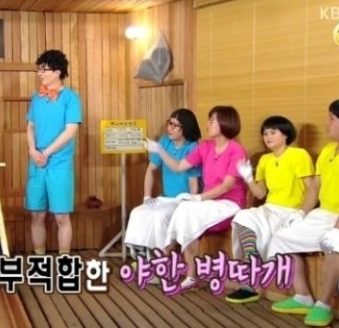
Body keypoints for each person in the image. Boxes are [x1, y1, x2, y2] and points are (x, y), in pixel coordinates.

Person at [268, 99, 339, 327]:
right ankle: (302, 296)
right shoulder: (327, 150)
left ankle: (323, 305)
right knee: (281, 236)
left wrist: (338, 230)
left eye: (332, 119)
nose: (327, 124)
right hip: (324, 213)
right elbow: (314, 187)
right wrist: (301, 213)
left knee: (336, 246)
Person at [145, 105, 247, 291]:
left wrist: (199, 198)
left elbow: (226, 186)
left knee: (188, 211)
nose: (207, 124)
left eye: (212, 121)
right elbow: (178, 166)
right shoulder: (205, 147)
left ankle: (173, 265)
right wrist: (159, 150)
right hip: (209, 202)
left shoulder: (236, 150)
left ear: (225, 123)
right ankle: (187, 273)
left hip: (230, 203)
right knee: (184, 210)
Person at [226, 115, 316, 305]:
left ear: (286, 135)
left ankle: (251, 283)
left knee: (256, 225)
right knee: (242, 216)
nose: (267, 137)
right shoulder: (265, 160)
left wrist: (304, 213)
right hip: (269, 208)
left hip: (290, 211)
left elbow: (312, 188)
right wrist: (248, 177)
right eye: (265, 133)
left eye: (273, 132)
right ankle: (253, 261)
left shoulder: (299, 155)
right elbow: (260, 193)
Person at [124, 108, 201, 259]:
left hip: (182, 200)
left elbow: (193, 182)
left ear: (185, 128)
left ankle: (161, 256)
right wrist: (147, 197)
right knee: (137, 212)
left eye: (174, 125)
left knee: (159, 217)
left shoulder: (193, 148)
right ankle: (141, 252)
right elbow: (151, 170)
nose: (169, 128)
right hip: (165, 198)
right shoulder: (165, 141)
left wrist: (190, 206)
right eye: (169, 123)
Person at [25, 50, 82, 255]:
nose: (39, 73)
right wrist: (32, 150)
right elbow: (30, 126)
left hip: (60, 164)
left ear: (57, 72)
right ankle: (40, 260)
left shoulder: (71, 98)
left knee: (61, 217)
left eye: (43, 69)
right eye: (38, 69)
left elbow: (71, 130)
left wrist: (47, 152)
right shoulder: (36, 97)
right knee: (36, 214)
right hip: (37, 163)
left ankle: (64, 260)